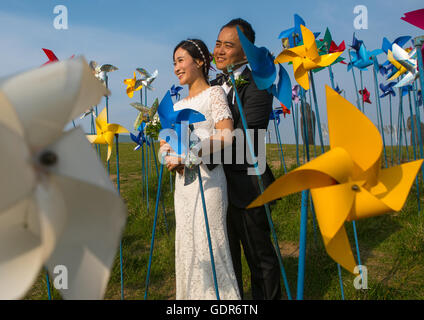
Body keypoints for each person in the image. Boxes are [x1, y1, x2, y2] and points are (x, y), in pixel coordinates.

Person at [160, 38, 240, 300]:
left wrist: (189, 155)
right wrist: (169, 158)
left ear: (200, 61)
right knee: (188, 250)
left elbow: (227, 136)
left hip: (209, 184)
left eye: (181, 60)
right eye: (174, 63)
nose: (176, 68)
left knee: (210, 246)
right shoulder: (176, 106)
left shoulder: (214, 94)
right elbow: (163, 148)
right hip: (184, 189)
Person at [211, 18, 282, 300]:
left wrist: (202, 151)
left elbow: (246, 136)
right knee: (227, 258)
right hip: (218, 185)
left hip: (248, 184)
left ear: (245, 52)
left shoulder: (258, 84)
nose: (219, 50)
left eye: (228, 45)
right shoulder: (214, 85)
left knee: (259, 256)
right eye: (218, 43)